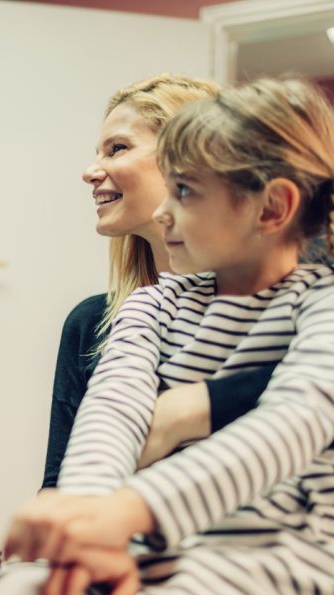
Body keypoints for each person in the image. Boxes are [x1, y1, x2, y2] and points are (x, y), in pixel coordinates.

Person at [2, 77, 334, 595]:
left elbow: (295, 422)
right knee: (21, 588)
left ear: (270, 209)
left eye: (183, 190)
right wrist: (89, 520)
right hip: (158, 540)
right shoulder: (154, 303)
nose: (162, 211)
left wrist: (128, 511)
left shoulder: (321, 307)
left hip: (280, 550)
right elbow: (112, 408)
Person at [42, 73, 275, 488]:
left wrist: (187, 411)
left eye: (118, 149)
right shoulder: (94, 323)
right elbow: (59, 485)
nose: (91, 172)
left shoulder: (290, 311)